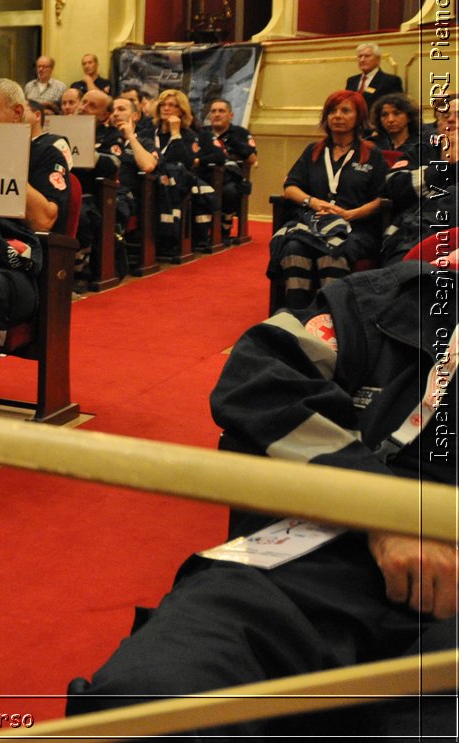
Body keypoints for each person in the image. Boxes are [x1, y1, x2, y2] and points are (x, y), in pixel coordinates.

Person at [69, 259, 456, 740]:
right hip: (324, 546)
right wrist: (388, 509)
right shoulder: (393, 301)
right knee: (146, 701)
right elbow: (257, 374)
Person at [0, 79, 68, 409]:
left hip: (18, 270)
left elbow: (46, 218)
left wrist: (3, 166)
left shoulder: (45, 153)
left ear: (17, 112)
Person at [269, 90, 388, 309]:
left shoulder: (372, 154)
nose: (337, 116)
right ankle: (296, 315)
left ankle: (330, 316)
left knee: (333, 249)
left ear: (359, 117)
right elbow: (290, 187)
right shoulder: (313, 151)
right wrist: (312, 202)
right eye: (332, 111)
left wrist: (350, 214)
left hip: (355, 228)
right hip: (313, 225)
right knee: (294, 247)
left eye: (345, 111)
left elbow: (382, 199)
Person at [382, 97, 457, 262]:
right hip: (410, 235)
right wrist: (441, 167)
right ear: (437, 126)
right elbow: (393, 185)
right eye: (445, 116)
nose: (451, 120)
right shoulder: (422, 151)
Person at [149, 89, 217, 249]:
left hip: (177, 182)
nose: (166, 108)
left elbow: (187, 163)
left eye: (172, 105)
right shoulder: (149, 133)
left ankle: (169, 236)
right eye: (163, 105)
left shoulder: (189, 136)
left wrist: (175, 134)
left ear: (181, 111)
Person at [204, 97, 257, 234]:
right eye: (213, 111)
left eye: (221, 111)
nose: (216, 114)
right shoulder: (203, 133)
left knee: (230, 191)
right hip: (206, 176)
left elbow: (252, 158)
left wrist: (235, 145)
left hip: (231, 179)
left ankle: (225, 225)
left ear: (231, 115)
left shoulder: (240, 133)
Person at [371, 93, 421, 163]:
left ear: (409, 117)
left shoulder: (421, 145)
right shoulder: (372, 145)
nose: (390, 120)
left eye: (397, 113)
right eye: (384, 115)